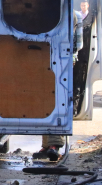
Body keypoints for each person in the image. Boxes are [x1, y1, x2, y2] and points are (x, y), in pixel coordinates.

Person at [34, 10, 84, 162]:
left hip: (45, 58)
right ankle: (50, 145)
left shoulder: (44, 10)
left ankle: (52, 145)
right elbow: (79, 44)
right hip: (64, 60)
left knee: (48, 100)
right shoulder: (75, 14)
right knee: (57, 99)